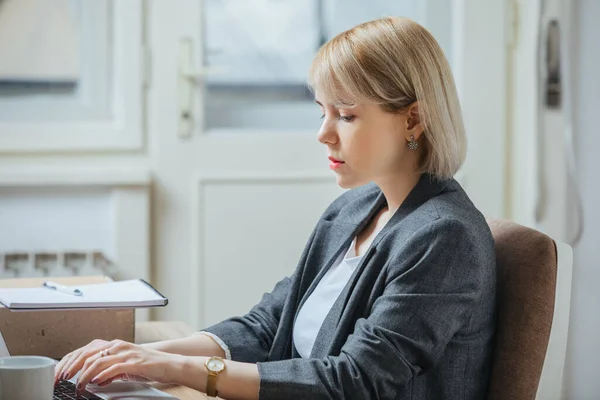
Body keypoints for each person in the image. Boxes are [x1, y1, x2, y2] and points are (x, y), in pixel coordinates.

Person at [54, 16, 496, 400]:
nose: (324, 133)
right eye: (322, 112)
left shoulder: (444, 237)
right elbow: (268, 325)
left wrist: (178, 369)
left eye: (346, 114)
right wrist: (145, 355)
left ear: (413, 120)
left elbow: (356, 381)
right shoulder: (353, 209)